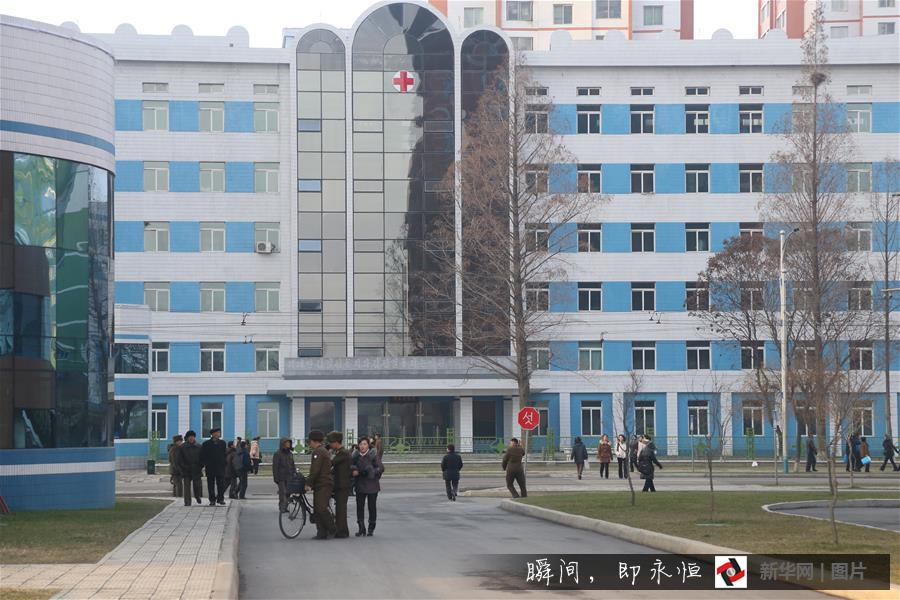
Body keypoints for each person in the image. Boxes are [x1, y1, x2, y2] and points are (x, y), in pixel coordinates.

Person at [306, 430, 336, 539]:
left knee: (321, 508)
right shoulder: (322, 450)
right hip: (322, 483)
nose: (309, 444)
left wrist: (308, 483)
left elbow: (315, 470)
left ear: (314, 441)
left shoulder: (318, 452)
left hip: (323, 483)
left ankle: (332, 528)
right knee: (318, 509)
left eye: (309, 442)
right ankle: (321, 532)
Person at [352, 436, 384, 536]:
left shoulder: (373, 456)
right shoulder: (355, 456)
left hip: (372, 485)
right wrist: (353, 470)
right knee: (359, 507)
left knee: (372, 507)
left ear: (368, 445)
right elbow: (350, 466)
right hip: (360, 485)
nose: (362, 446)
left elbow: (381, 468)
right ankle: (361, 527)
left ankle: (371, 527)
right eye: (361, 444)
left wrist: (371, 472)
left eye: (364, 444)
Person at [328, 431, 352, 538]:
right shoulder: (340, 452)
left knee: (341, 509)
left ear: (336, 442)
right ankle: (341, 530)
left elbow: (331, 463)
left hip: (342, 485)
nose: (330, 445)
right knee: (340, 508)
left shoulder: (343, 453)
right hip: (340, 484)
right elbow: (335, 469)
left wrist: (327, 455)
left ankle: (342, 532)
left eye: (331, 442)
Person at [200, 427, 227, 506]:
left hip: (220, 467)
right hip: (210, 467)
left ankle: (220, 499)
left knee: (221, 484)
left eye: (219, 432)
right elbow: (203, 455)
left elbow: (224, 454)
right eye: (217, 432)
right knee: (210, 485)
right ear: (213, 434)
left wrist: (224, 463)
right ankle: (212, 500)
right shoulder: (206, 444)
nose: (219, 434)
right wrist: (205, 464)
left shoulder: (222, 443)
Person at [176, 430, 203, 506]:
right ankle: (187, 502)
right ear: (187, 438)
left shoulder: (199, 446)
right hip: (186, 470)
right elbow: (179, 459)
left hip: (196, 469)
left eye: (192, 437)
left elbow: (202, 458)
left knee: (197, 486)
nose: (191, 438)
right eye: (190, 437)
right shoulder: (182, 447)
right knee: (187, 487)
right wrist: (183, 467)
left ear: (194, 437)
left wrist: (200, 466)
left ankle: (197, 496)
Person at [272, 437, 296, 512]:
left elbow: (293, 465)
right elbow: (275, 467)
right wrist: (276, 478)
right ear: (283, 444)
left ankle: (285, 507)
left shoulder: (290, 454)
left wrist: (294, 473)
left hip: (289, 477)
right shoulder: (277, 454)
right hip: (281, 477)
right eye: (286, 443)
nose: (288, 444)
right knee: (283, 493)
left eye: (289, 443)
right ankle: (282, 507)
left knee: (288, 493)